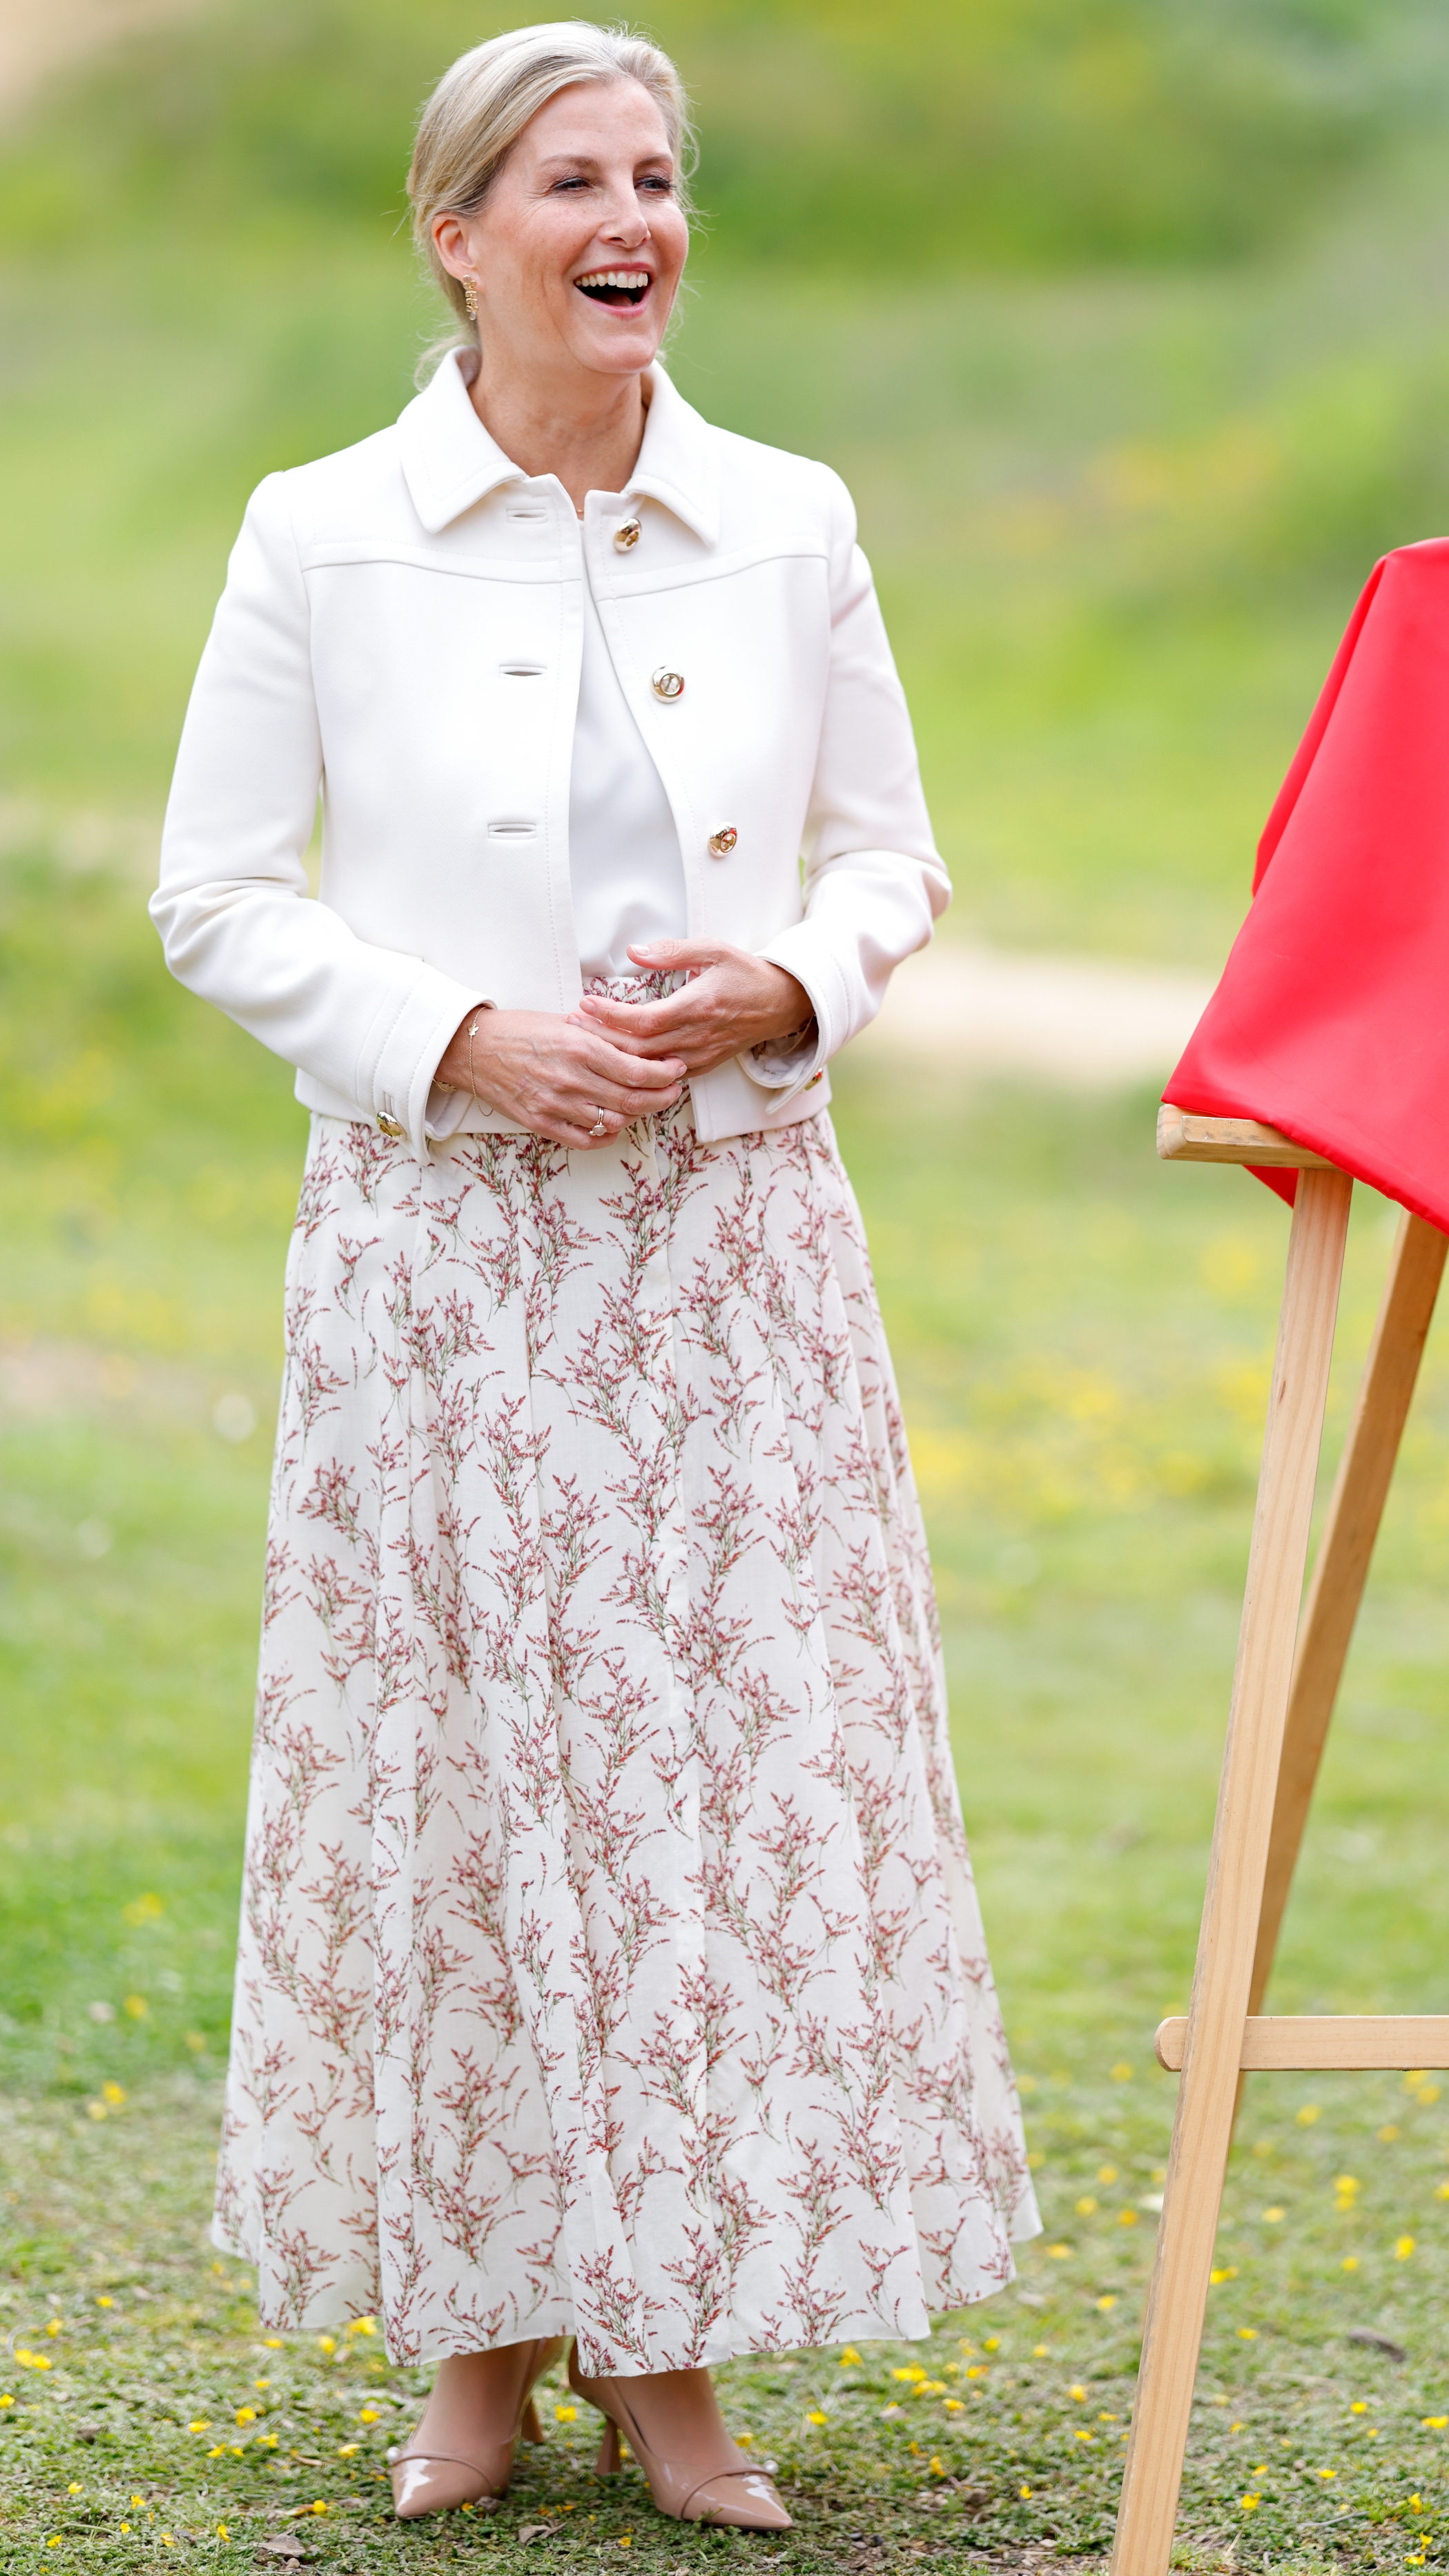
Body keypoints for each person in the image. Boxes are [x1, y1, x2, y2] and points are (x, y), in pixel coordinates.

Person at [151, 17, 1039, 2535]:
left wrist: (791, 985)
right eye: (570, 181)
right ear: (456, 234)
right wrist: (450, 1038)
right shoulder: (319, 528)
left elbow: (889, 856)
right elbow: (215, 889)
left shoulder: (788, 508)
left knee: (702, 1797)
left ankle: (674, 2365)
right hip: (439, 1253)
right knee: (452, 1786)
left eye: (656, 175)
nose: (628, 217)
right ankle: (471, 2350)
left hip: (729, 1250)